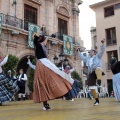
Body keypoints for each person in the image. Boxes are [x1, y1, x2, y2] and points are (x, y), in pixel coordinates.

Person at [32, 34, 72, 110]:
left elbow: (46, 38)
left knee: (53, 77)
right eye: (45, 40)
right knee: (42, 83)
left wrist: (49, 36)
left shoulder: (44, 47)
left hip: (46, 64)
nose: (46, 41)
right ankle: (45, 104)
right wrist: (36, 36)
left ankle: (63, 93)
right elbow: (35, 42)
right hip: (41, 65)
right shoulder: (39, 45)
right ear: (42, 40)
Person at [77, 39, 105, 105]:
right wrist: (78, 51)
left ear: (94, 52)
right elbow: (82, 57)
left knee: (97, 68)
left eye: (91, 51)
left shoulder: (97, 56)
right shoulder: (87, 59)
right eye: (89, 52)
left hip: (98, 71)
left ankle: (99, 81)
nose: (89, 53)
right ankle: (97, 100)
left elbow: (102, 51)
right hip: (91, 73)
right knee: (91, 88)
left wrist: (103, 43)